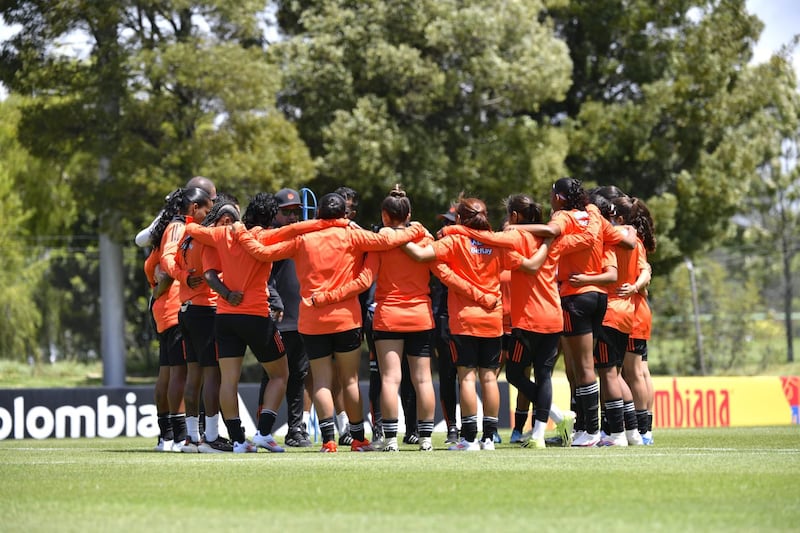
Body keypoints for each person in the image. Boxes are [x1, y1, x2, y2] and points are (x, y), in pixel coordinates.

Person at [234, 192, 427, 452]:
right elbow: (386, 239)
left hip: (312, 320)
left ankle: (328, 440)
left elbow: (263, 252)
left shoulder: (303, 238)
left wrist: (241, 233)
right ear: (343, 215)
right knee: (349, 380)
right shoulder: (352, 235)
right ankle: (358, 438)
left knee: (322, 381)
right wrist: (415, 230)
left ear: (317, 215)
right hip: (346, 319)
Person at [185, 193, 339, 453]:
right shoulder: (265, 236)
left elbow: (192, 229)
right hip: (256, 316)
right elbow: (300, 227)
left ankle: (236, 441)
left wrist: (201, 220)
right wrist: (335, 224)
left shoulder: (223, 234)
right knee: (281, 374)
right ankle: (264, 432)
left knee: (228, 380)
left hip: (224, 317)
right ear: (270, 219)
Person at [403, 196, 546, 451]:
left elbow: (423, 256)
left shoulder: (454, 240)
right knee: (489, 378)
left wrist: (401, 235)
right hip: (493, 319)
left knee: (467, 378)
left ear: (459, 218)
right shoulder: (496, 243)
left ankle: (469, 440)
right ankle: (489, 438)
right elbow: (524, 263)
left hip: (464, 321)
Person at [311, 186, 442, 451]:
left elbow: (366, 280)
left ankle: (391, 439)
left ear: (384, 215)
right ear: (409, 214)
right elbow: (440, 270)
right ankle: (426, 438)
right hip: (420, 314)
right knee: (423, 379)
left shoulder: (378, 245)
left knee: (390, 378)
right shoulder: (425, 238)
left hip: (389, 314)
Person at [508, 177, 635, 447]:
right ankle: (604, 432)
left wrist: (514, 230)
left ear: (561, 198)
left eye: (553, 194)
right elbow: (627, 243)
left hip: (575, 297)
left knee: (583, 367)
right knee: (595, 367)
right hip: (600, 298)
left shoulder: (563, 217)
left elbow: (550, 231)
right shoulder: (595, 218)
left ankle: (589, 430)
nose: (551, 199)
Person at [144, 186, 214, 451]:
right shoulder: (177, 228)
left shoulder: (165, 228)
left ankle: (166, 436)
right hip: (173, 307)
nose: (210, 212)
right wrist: (161, 291)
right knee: (179, 375)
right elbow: (165, 270)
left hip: (164, 308)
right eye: (208, 207)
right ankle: (176, 436)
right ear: (194, 208)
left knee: (168, 373)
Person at [175, 194, 240, 453]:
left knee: (194, 377)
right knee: (213, 374)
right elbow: (214, 273)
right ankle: (211, 437)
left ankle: (192, 438)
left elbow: (179, 268)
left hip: (186, 310)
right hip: (206, 310)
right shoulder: (209, 238)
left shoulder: (187, 237)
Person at [258, 188, 313, 448]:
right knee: (271, 374)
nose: (292, 217)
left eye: (296, 212)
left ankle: (295, 429)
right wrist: (273, 299)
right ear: (275, 213)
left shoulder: (302, 235)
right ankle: (263, 429)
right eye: (286, 212)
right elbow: (262, 276)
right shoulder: (269, 236)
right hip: (276, 316)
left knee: (298, 375)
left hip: (300, 316)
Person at [432, 206, 460, 444]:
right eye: (443, 223)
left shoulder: (465, 246)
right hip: (444, 319)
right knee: (448, 376)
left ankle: (483, 430)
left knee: (475, 375)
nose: (444, 228)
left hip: (464, 318)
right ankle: (453, 428)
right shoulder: (438, 247)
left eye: (449, 222)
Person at [135, 176, 217, 247]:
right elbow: (141, 240)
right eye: (213, 200)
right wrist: (167, 217)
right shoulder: (175, 219)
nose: (214, 204)